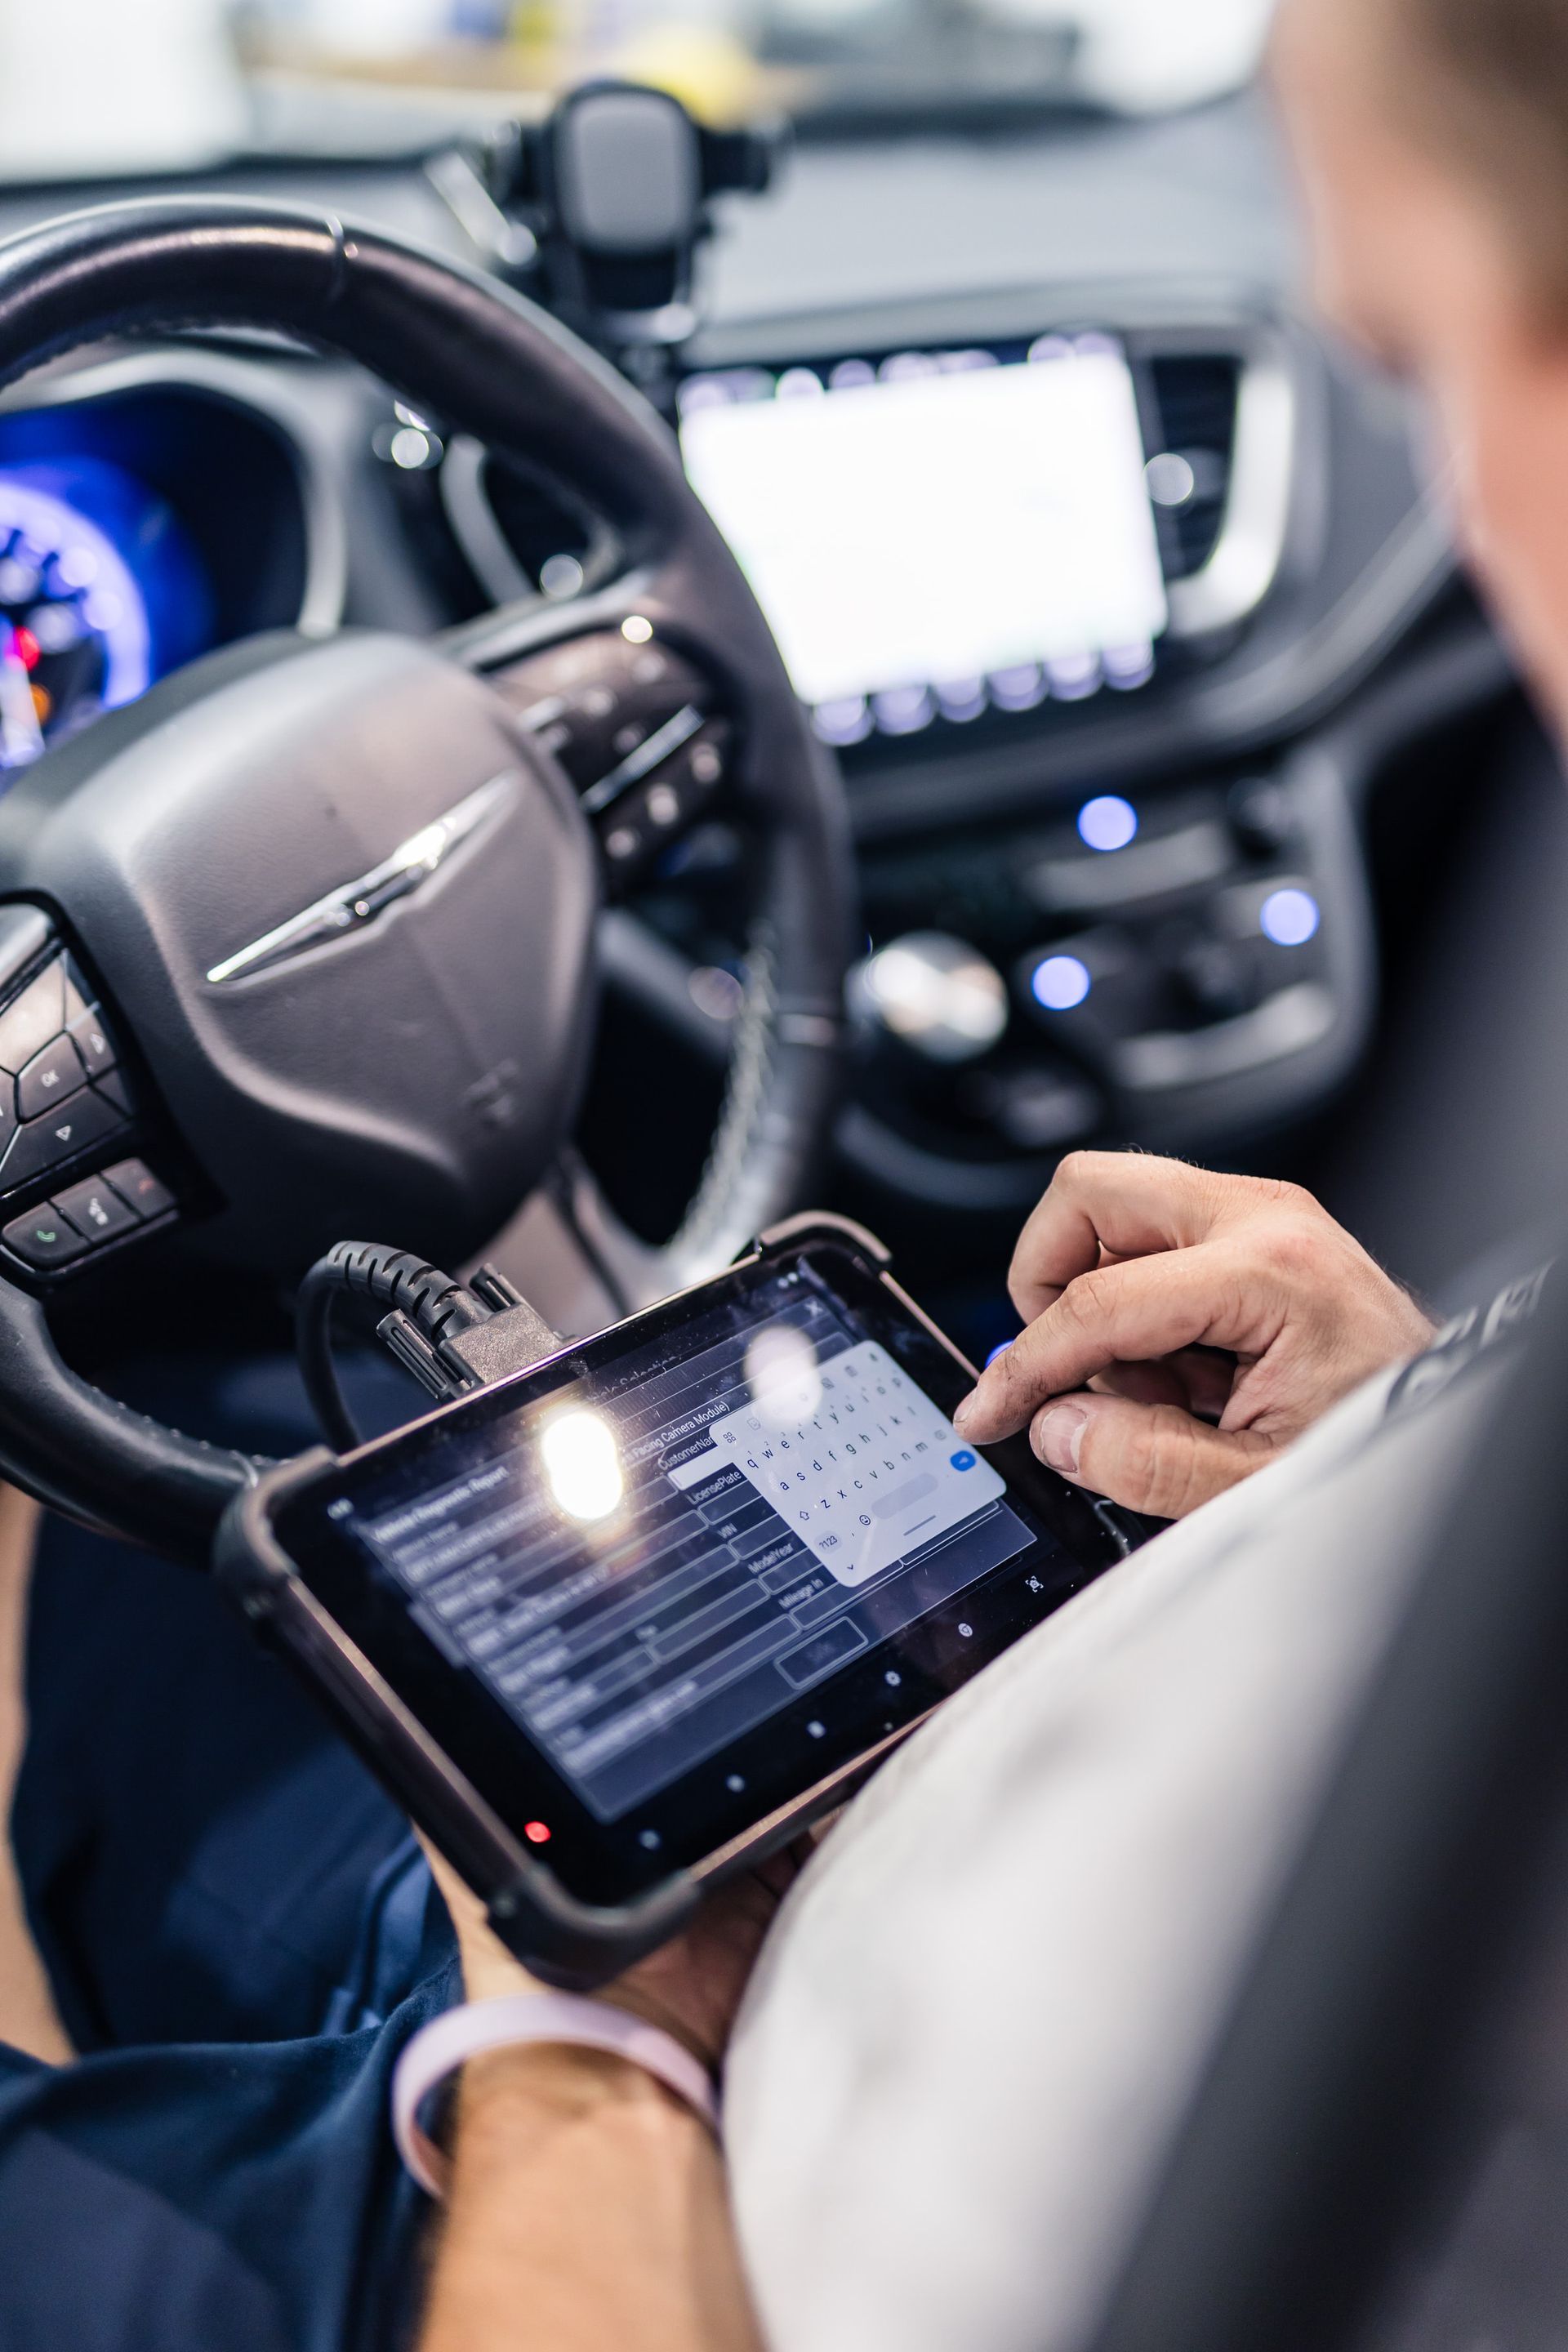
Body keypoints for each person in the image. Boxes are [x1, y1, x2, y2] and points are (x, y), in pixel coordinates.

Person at [2, 0, 1566, 2343]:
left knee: (162, 1628)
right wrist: (1403, 1450)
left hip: (650, 2188)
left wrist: (587, 2040)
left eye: (1421, 352)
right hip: (980, 1783)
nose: (1443, 481)